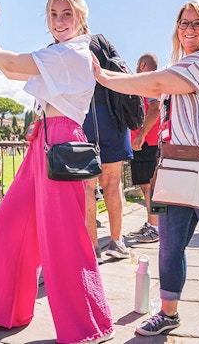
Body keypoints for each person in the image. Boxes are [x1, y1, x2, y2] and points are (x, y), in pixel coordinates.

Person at [94, 0, 199, 342]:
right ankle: (168, 312)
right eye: (183, 23)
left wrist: (104, 77)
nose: (188, 29)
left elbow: (153, 85)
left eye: (196, 24)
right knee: (169, 244)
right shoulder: (184, 63)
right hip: (178, 160)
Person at [0, 0, 114, 344]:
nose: (59, 20)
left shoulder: (75, 51)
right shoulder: (57, 55)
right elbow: (13, 67)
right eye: (53, 14)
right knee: (9, 222)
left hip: (62, 137)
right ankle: (5, 311)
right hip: (43, 140)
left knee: (63, 235)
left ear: (81, 19)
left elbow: (16, 64)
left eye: (67, 14)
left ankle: (88, 325)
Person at [84, 35, 134, 260]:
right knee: (113, 183)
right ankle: (116, 241)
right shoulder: (101, 41)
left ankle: (92, 247)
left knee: (86, 187)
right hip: (112, 117)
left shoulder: (64, 45)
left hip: (83, 116)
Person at [127, 52, 162, 244]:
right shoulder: (155, 82)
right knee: (149, 185)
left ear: (141, 65)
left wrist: (140, 135)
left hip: (147, 141)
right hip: (150, 140)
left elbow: (155, 109)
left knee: (149, 186)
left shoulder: (148, 83)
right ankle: (153, 224)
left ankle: (155, 227)